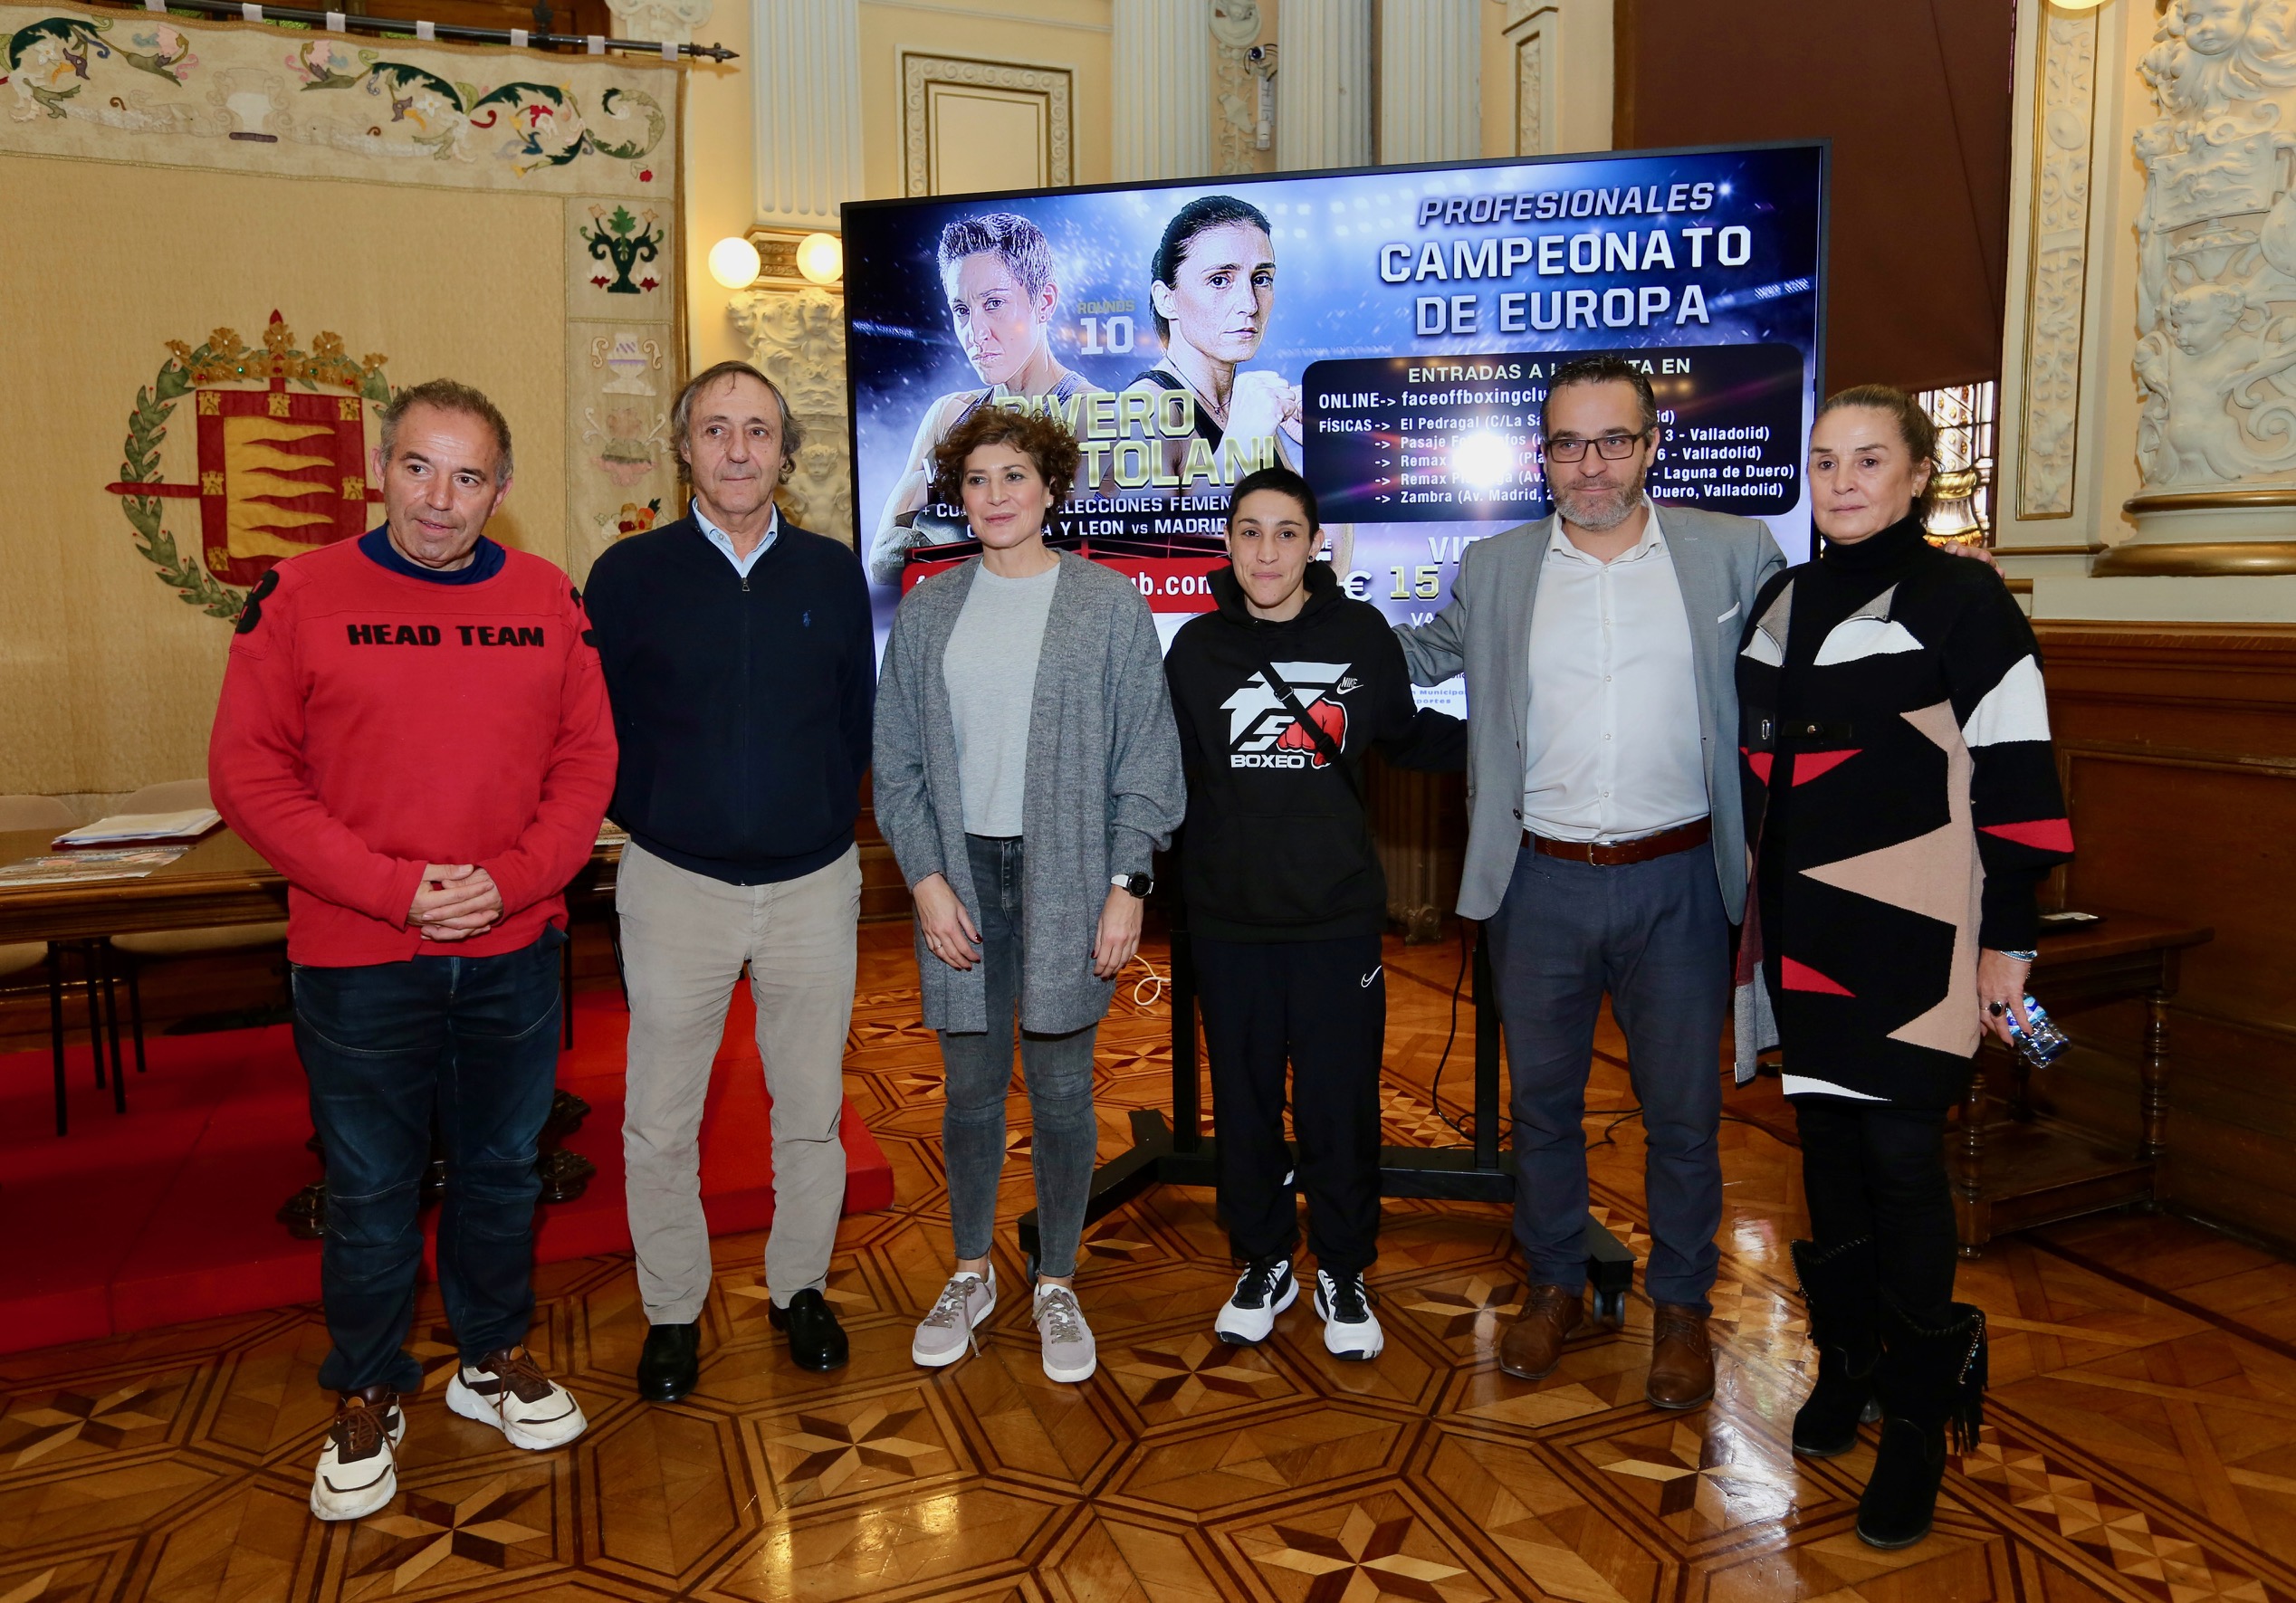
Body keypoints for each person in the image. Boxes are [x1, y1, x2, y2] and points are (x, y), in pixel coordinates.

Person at [209, 378, 617, 1522]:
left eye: (469, 475)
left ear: (504, 488)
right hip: (355, 955)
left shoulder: (545, 596)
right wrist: (400, 891)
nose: (441, 501)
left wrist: (512, 879)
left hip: (516, 944)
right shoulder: (298, 595)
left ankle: (488, 1360)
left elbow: (586, 764)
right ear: (379, 468)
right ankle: (370, 1386)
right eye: (419, 468)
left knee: (501, 1169)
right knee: (372, 1186)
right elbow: (249, 775)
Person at [1393, 354, 1785, 1410]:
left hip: (1679, 884)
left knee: (1683, 1114)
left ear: (1653, 445)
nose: (1591, 465)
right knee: (1545, 1111)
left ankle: (1683, 1308)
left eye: (1614, 440)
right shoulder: (1496, 566)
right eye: (1567, 443)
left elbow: (1814, 659)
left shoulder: (1735, 555)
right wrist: (1282, 623)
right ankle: (1554, 1283)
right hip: (1540, 883)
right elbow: (1412, 657)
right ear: (1543, 455)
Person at [1735, 385, 2071, 1550]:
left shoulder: (1963, 597)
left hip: (1922, 932)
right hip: (1805, 930)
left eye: (1869, 459)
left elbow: (2017, 767)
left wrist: (2009, 939)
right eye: (1825, 459)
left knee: (1899, 1157)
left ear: (1919, 473)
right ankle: (1849, 1366)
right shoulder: (1779, 599)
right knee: (1827, 1152)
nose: (1842, 480)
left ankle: (1923, 1419)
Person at [874, 404, 1185, 1385]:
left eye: (1014, 476)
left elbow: (1147, 754)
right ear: (957, 497)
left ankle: (1056, 1278)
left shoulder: (1106, 604)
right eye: (975, 480)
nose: (994, 495)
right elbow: (898, 763)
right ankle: (971, 1269)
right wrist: (923, 879)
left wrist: (1127, 881)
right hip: (960, 876)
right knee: (968, 1091)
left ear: (1050, 487)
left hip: (1067, 872)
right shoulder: (927, 608)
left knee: (1058, 1091)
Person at [584, 360, 875, 1392]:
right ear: (684, 448)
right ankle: (672, 1309)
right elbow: (593, 729)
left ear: (786, 453)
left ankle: (800, 1288)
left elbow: (855, 719)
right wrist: (660, 814)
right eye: (717, 429)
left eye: (758, 430)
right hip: (676, 885)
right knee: (660, 1115)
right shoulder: (626, 576)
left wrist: (814, 812)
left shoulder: (832, 571)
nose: (739, 449)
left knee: (808, 1107)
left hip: (812, 884)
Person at [1162, 466, 1465, 1359]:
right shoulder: (1196, 650)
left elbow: (1406, 738)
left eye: (1285, 533)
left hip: (1335, 920)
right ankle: (1262, 1258)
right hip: (1226, 920)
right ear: (1227, 543)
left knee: (1338, 1106)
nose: (1266, 551)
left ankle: (1342, 1266)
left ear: (1314, 543)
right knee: (1246, 1105)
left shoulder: (1361, 635)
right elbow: (1159, 775)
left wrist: (1516, 739)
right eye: (1249, 532)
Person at [869, 212, 1098, 585]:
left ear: (1044, 302)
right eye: (962, 310)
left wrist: (939, 526)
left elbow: (1081, 558)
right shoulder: (949, 415)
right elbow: (884, 560)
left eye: (993, 303)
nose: (975, 332)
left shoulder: (1095, 413)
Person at [1125, 194, 1301, 465]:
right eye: (1219, 280)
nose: (1249, 304)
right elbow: (1149, 510)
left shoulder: (1244, 404)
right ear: (1166, 300)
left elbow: (1295, 508)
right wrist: (1242, 441)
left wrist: (1321, 446)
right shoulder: (1144, 409)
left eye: (1261, 278)